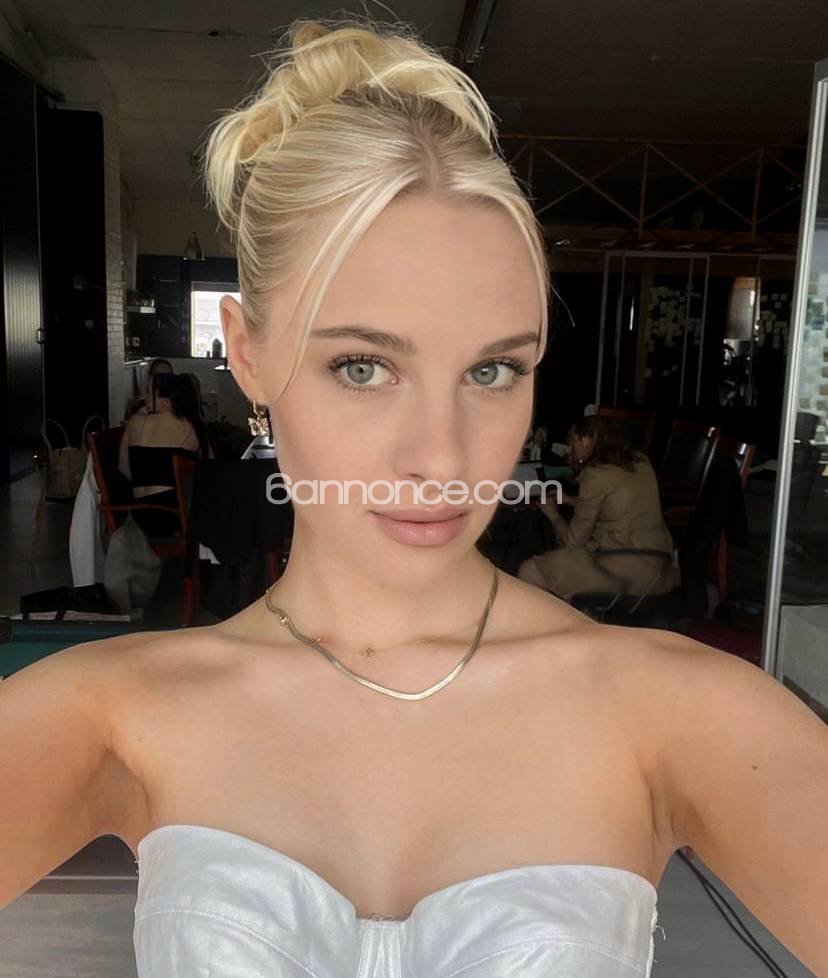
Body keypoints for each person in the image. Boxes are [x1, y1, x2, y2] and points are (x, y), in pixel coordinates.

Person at [1, 18, 826, 978]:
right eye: (363, 366)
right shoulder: (112, 715)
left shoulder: (680, 713)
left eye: (492, 371)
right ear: (248, 351)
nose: (442, 459)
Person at [517, 416, 677, 602]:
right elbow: (620, 505)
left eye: (573, 443)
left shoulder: (595, 474)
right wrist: (572, 500)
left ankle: (570, 616)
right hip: (661, 569)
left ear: (585, 440)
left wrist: (552, 514)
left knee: (529, 571)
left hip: (626, 570)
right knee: (564, 564)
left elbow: (573, 542)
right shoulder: (641, 461)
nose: (571, 450)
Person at [118, 371, 212, 534]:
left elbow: (124, 470)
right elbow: (209, 469)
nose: (145, 398)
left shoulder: (135, 422)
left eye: (149, 393)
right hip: (175, 515)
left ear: (165, 402)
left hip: (138, 514)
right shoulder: (190, 426)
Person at [123, 357, 174, 423]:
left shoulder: (180, 408)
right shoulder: (137, 408)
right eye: (158, 376)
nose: (163, 381)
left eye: (167, 376)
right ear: (150, 377)